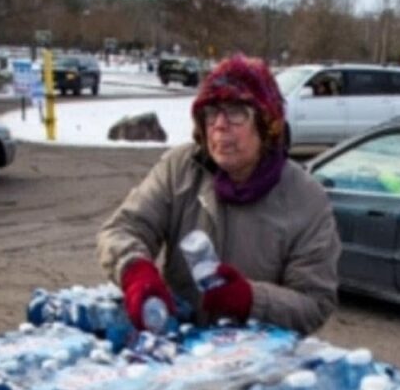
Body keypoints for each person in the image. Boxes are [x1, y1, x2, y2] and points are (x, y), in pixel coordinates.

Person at [97, 55, 341, 335]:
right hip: (179, 354)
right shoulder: (181, 169)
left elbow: (314, 303)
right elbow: (122, 229)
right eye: (211, 112)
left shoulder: (306, 199)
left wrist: (251, 299)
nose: (219, 125)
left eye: (236, 111)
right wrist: (136, 271)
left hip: (256, 366)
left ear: (265, 123)